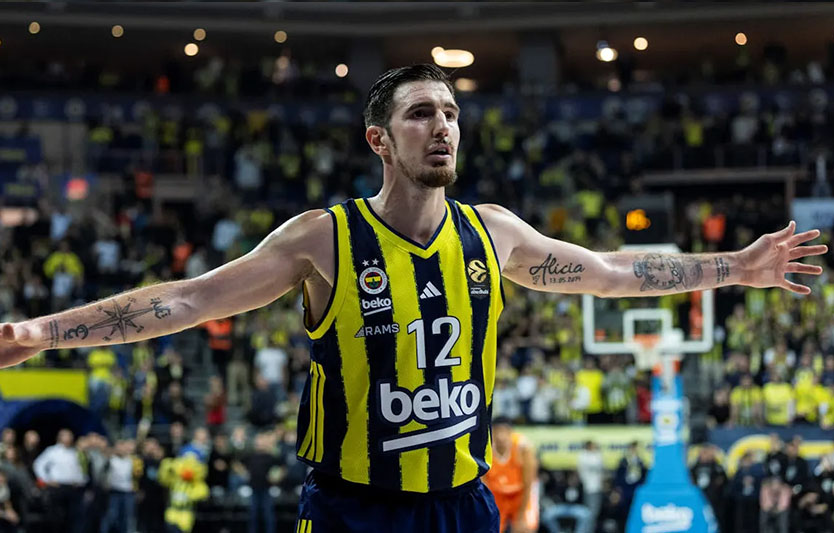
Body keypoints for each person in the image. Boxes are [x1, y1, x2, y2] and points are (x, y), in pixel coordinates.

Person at [0, 64, 826, 533]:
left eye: (452, 113)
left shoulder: (494, 233)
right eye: (422, 113)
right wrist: (42, 331)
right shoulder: (323, 239)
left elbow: (614, 273)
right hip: (352, 508)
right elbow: (186, 301)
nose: (443, 126)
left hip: (462, 506)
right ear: (380, 139)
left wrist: (737, 266)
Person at [482, 417, 538, 533]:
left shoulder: (523, 447)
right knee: (488, 527)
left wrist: (521, 516)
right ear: (492, 432)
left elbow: (528, 483)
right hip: (496, 495)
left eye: (504, 431)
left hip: (519, 494)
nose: (500, 436)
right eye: (497, 431)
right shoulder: (485, 447)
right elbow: (483, 482)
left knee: (525, 528)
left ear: (510, 433)